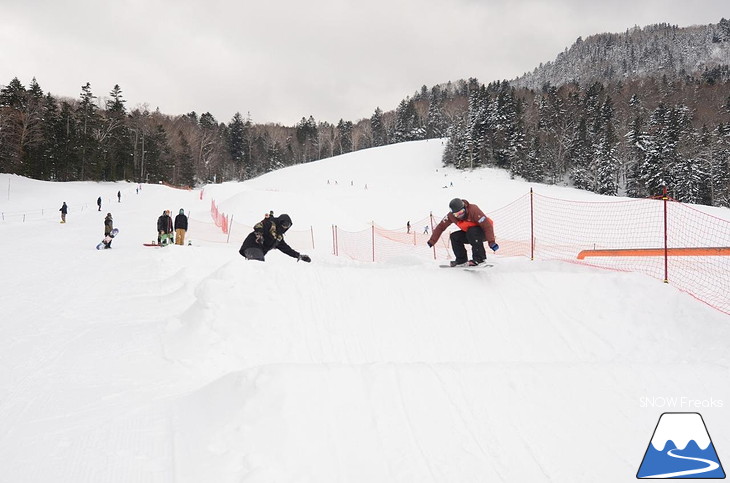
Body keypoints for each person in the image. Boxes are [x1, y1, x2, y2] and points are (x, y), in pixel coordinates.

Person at [427, 198, 499, 267]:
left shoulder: (473, 210)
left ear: (464, 208)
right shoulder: (450, 216)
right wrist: (432, 241)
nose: (460, 215)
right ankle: (461, 260)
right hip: (470, 235)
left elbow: (487, 226)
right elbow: (441, 227)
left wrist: (491, 242)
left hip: (483, 233)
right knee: (454, 236)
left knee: (472, 231)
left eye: (461, 212)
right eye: (457, 214)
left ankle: (479, 259)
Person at [239, 213, 311, 263]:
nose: (285, 226)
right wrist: (259, 235)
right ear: (280, 221)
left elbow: (286, 249)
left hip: (258, 251)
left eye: (287, 225)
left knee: (258, 268)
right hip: (253, 245)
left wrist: (299, 256)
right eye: (284, 224)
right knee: (258, 267)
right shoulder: (271, 224)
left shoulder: (278, 237)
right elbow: (258, 226)